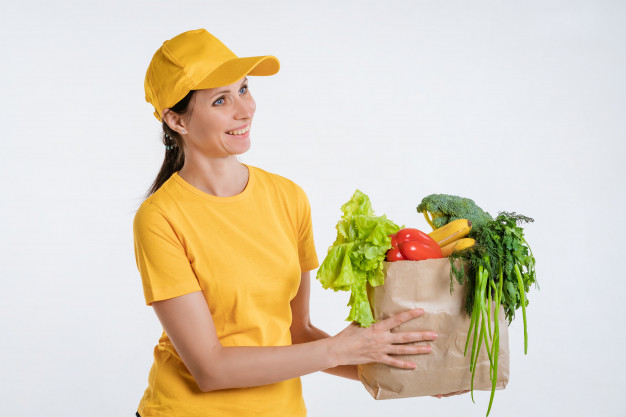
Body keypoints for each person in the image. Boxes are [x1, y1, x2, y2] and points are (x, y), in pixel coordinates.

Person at [133, 28, 456, 417]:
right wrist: (340, 347)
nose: (244, 109)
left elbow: (296, 333)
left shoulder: (287, 197)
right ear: (176, 121)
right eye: (221, 100)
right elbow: (210, 368)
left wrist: (410, 373)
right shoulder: (160, 218)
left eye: (244, 89)